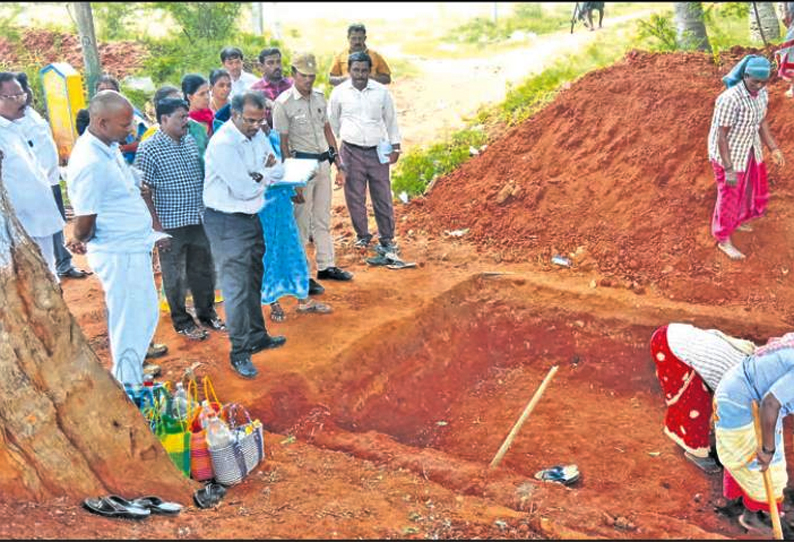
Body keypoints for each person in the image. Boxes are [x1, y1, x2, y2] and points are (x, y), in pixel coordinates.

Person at [65, 90, 165, 385]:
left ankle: (131, 377)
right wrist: (82, 238)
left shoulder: (106, 146)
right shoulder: (89, 161)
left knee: (143, 314)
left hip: (132, 247)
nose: (131, 131)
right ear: (101, 121)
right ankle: (128, 385)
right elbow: (84, 223)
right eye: (124, 125)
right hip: (118, 253)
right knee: (129, 319)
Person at [203, 91, 286, 379]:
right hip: (225, 221)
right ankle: (240, 352)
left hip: (250, 216)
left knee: (253, 278)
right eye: (250, 120)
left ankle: (257, 335)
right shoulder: (223, 144)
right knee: (236, 288)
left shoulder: (257, 134)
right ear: (235, 114)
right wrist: (264, 174)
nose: (256, 125)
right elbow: (244, 188)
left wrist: (259, 175)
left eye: (260, 120)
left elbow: (279, 168)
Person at [134, 97, 226, 341]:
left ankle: (207, 314)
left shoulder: (189, 141)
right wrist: (156, 228)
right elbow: (144, 192)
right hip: (170, 223)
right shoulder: (149, 148)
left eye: (187, 116)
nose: (187, 121)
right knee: (174, 275)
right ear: (164, 119)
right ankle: (182, 321)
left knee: (203, 269)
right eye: (181, 117)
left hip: (198, 217)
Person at [274, 52, 353, 294]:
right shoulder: (283, 103)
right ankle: (300, 275)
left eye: (312, 76)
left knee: (322, 218)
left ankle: (326, 266)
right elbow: (283, 144)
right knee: (301, 223)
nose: (308, 80)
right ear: (293, 74)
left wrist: (339, 163)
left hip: (323, 163)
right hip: (301, 166)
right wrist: (292, 180)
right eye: (304, 75)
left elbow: (328, 130)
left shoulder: (319, 98)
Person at [714, 333, 794, 534]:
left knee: (751, 458)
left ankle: (739, 500)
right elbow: (770, 404)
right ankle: (753, 516)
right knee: (767, 467)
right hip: (741, 403)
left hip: (746, 390)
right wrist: (767, 450)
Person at [707, 55, 784, 261]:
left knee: (748, 188)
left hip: (748, 149)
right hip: (729, 154)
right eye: (754, 81)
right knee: (729, 194)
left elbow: (762, 122)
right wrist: (729, 169)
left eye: (763, 82)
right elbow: (721, 136)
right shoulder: (729, 99)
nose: (758, 86)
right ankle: (723, 238)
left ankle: (738, 219)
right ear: (745, 75)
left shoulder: (761, 94)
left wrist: (773, 148)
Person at [650, 323, 756, 472]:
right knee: (694, 405)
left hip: (677, 334)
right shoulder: (742, 384)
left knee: (701, 396)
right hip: (669, 347)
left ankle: (691, 434)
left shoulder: (758, 362)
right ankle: (696, 452)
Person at [15, 72, 90, 279]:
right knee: (42, 229)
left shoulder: (32, 115)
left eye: (27, 88)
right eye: (24, 89)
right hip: (37, 185)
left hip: (52, 179)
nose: (28, 92)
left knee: (57, 223)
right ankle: (49, 270)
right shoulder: (13, 123)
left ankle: (63, 264)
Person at [328, 51, 402, 256]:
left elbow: (391, 121)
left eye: (364, 70)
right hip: (350, 150)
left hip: (378, 150)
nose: (360, 74)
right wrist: (333, 154)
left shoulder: (381, 92)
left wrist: (395, 147)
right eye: (355, 70)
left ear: (370, 71)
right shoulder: (339, 93)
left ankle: (387, 238)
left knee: (382, 194)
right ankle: (362, 235)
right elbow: (332, 123)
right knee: (354, 196)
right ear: (349, 70)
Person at [0, 72, 65, 279]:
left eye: (22, 94)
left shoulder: (16, 127)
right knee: (27, 282)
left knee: (48, 274)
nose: (23, 100)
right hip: (17, 226)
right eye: (15, 97)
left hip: (39, 216)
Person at [94, 74, 149, 164]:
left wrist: (123, 148)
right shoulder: (94, 116)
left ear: (118, 93)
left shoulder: (131, 114)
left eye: (111, 91)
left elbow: (146, 143)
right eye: (101, 91)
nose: (106, 95)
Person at [250, 47, 293, 129]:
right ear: (261, 66)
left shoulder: (292, 85)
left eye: (278, 62)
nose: (276, 66)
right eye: (270, 63)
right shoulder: (255, 91)